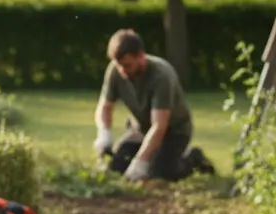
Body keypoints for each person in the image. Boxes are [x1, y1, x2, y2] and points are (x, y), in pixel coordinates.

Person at [92, 29, 215, 181]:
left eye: (128, 65)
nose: (123, 71)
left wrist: (140, 162)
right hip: (140, 130)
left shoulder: (161, 76)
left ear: (141, 56)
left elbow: (159, 126)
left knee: (159, 173)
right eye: (119, 65)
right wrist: (104, 134)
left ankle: (194, 159)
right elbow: (105, 107)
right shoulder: (115, 70)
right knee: (117, 166)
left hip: (173, 132)